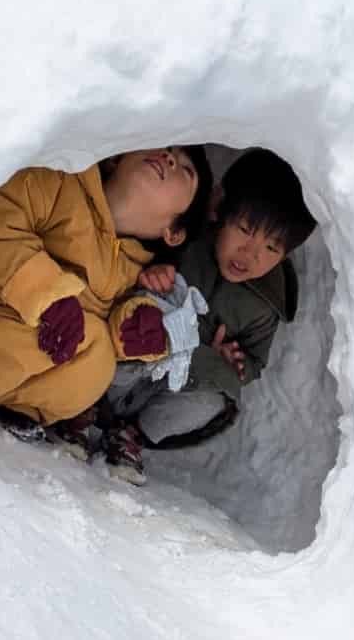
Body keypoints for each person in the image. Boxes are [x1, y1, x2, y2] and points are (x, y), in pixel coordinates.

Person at [0, 147, 213, 434]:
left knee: (99, 360)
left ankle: (16, 408)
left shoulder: (134, 269)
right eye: (165, 147)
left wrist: (133, 333)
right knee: (90, 338)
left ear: (174, 233)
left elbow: (102, 333)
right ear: (118, 157)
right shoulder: (62, 181)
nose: (168, 158)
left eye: (185, 170)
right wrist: (48, 294)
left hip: (19, 358)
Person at [94, 147, 316, 484]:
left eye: (271, 248)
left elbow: (253, 362)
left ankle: (130, 437)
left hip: (172, 390)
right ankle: (82, 408)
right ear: (218, 210)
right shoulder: (186, 238)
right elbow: (128, 262)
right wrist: (151, 273)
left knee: (214, 401)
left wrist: (231, 362)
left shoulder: (265, 304)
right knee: (137, 332)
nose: (250, 253)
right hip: (125, 368)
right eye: (244, 229)